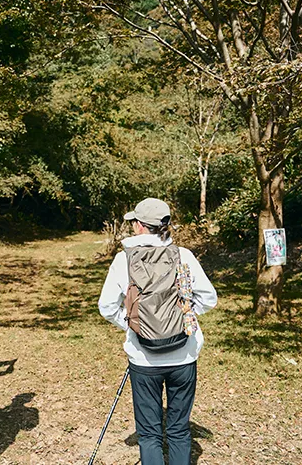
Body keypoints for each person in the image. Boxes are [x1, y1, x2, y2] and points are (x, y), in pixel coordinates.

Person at [98, 198, 217, 465]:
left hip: (143, 358)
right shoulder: (183, 255)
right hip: (183, 355)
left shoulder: (123, 259)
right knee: (177, 430)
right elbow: (209, 299)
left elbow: (106, 307)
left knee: (149, 433)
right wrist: (183, 317)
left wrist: (133, 325)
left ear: (140, 226)